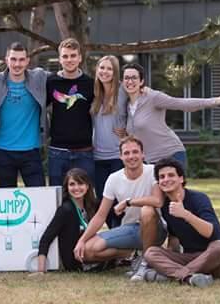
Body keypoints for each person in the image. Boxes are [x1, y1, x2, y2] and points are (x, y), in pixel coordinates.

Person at [73, 136, 167, 281]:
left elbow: (158, 201)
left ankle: (146, 263)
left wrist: (129, 202)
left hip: (156, 229)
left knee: (147, 210)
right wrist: (82, 240)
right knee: (87, 251)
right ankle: (132, 255)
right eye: (127, 153)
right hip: (130, 229)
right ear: (121, 157)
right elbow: (100, 215)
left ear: (143, 154)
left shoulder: (153, 171)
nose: (131, 156)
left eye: (135, 152)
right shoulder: (114, 178)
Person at [122, 63, 220, 167]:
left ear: (141, 81)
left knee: (173, 194)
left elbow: (182, 103)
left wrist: (216, 101)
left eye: (134, 77)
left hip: (171, 154)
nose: (130, 81)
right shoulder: (125, 105)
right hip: (149, 161)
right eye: (126, 78)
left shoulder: (153, 97)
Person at [142, 158, 220, 287]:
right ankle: (189, 278)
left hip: (217, 260)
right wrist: (168, 257)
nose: (166, 179)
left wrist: (185, 214)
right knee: (151, 252)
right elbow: (174, 237)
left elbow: (211, 232)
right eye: (161, 177)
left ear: (181, 178)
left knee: (219, 246)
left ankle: (173, 276)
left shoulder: (199, 198)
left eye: (171, 175)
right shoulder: (165, 206)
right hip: (191, 257)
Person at [0, 42, 47, 188]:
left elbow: (64, 79)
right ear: (6, 60)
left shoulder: (39, 77)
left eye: (21, 59)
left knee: (39, 197)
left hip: (31, 150)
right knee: (8, 202)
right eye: (13, 59)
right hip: (3, 151)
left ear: (28, 61)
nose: (17, 64)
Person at [46, 38, 95, 187]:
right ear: (60, 59)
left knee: (86, 197)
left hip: (84, 152)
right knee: (57, 197)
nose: (69, 60)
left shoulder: (90, 84)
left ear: (80, 58)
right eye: (65, 56)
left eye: (73, 55)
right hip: (57, 151)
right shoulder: (50, 82)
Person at [35, 168, 98, 273]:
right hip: (75, 259)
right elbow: (46, 239)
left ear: (87, 186)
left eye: (80, 183)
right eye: (72, 184)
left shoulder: (91, 206)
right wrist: (41, 270)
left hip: (89, 249)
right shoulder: (65, 209)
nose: (76, 188)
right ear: (67, 187)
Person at [91, 55, 127, 228]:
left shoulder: (123, 92)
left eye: (109, 69)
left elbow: (137, 108)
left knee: (119, 202)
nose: (105, 72)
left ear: (115, 72)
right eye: (102, 68)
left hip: (117, 156)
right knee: (102, 201)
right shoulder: (95, 93)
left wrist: (129, 130)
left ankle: (123, 241)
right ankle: (115, 236)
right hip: (98, 157)